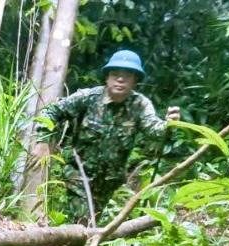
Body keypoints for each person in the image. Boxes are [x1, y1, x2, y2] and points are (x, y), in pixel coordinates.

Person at [37, 50, 181, 221]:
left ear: (135, 80)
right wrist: (42, 141)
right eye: (115, 74)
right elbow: (51, 111)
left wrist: (170, 125)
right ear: (107, 77)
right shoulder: (89, 97)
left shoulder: (140, 105)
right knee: (83, 219)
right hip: (78, 172)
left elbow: (155, 131)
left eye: (127, 75)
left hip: (108, 181)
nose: (120, 79)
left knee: (92, 222)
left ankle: (74, 245)